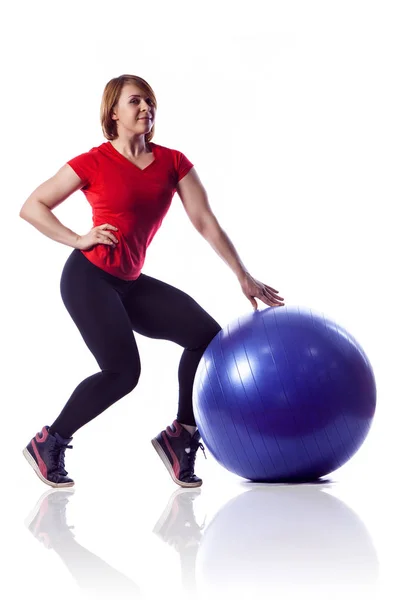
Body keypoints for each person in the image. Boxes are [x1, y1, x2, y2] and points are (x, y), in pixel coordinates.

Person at [19, 74, 285, 490]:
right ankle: (48, 442)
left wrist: (243, 275)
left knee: (205, 336)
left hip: (129, 281)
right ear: (113, 112)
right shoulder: (93, 161)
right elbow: (32, 205)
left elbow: (204, 221)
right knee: (123, 372)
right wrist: (77, 238)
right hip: (89, 278)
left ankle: (180, 435)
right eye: (135, 102)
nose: (146, 108)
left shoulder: (172, 162)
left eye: (150, 102)